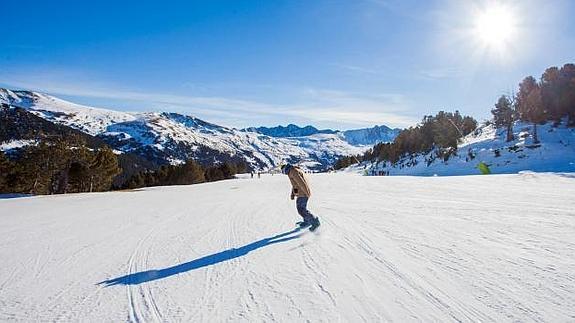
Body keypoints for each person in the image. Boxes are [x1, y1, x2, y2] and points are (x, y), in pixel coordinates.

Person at [281, 164, 320, 231]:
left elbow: (301, 182)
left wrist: (306, 193)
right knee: (302, 208)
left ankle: (314, 221)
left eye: (282, 171)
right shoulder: (291, 172)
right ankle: (307, 222)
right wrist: (293, 194)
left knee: (301, 209)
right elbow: (295, 184)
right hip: (301, 193)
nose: (283, 173)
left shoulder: (293, 172)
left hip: (303, 193)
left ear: (285, 169)